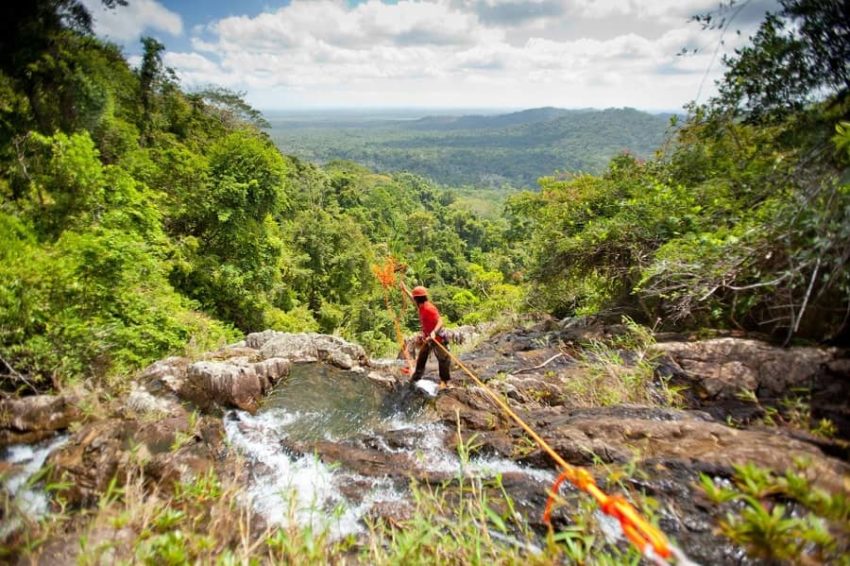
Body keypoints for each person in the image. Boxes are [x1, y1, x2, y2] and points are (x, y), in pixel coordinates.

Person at [400, 283, 452, 389]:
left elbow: (440, 321)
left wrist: (433, 332)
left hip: (438, 338)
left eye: (415, 298)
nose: (414, 300)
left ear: (418, 298)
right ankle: (416, 378)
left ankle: (445, 382)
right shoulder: (421, 306)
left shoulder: (429, 308)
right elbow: (412, 299)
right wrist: (405, 290)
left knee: (444, 359)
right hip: (428, 338)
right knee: (422, 357)